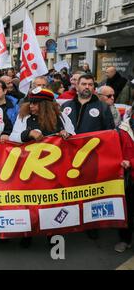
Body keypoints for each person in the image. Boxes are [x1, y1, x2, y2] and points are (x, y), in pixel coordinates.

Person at [62, 74, 115, 241]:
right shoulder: (66, 106)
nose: (86, 87)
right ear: (76, 86)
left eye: (90, 84)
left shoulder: (102, 107)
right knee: (69, 190)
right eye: (83, 84)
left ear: (94, 87)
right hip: (68, 157)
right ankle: (68, 221)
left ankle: (91, 225)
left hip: (92, 157)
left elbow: (110, 133)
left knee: (90, 193)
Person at [10, 87, 75, 143]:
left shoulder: (61, 116)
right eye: (30, 103)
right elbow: (12, 138)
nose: (31, 106)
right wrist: (29, 133)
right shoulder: (24, 116)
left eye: (35, 103)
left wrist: (67, 134)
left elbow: (74, 136)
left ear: (45, 105)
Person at [114, 105, 134, 253]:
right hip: (128, 178)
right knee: (127, 210)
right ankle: (125, 239)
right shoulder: (122, 129)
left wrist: (131, 162)